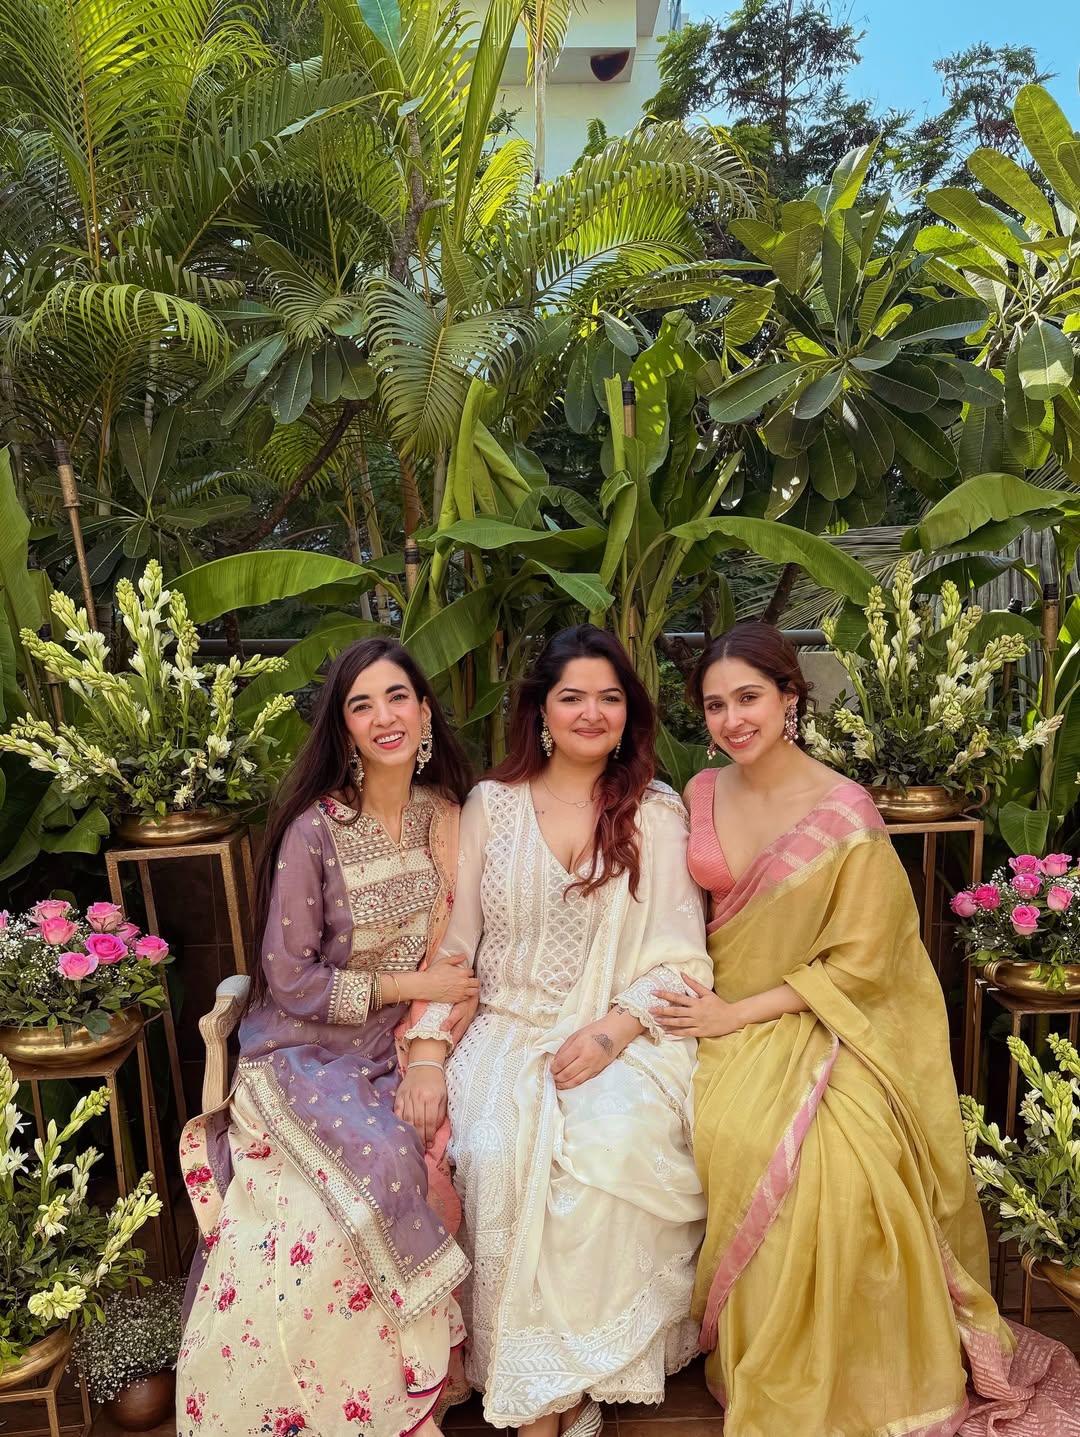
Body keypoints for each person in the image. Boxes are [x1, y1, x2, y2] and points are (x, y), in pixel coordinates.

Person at [655, 620, 1080, 1436]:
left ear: (789, 697)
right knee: (735, 1132)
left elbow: (864, 958)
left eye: (749, 697)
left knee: (842, 1165)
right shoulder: (699, 792)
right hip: (708, 1008)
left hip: (818, 1014)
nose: (732, 718)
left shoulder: (843, 810)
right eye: (714, 705)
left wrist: (738, 1013)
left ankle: (859, 1383)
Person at [177, 639, 479, 1437]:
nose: (384, 717)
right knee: (357, 1180)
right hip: (299, 1049)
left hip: (392, 1045)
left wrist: (426, 1026)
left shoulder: (445, 818)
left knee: (422, 1153)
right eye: (361, 704)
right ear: (343, 728)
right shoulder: (315, 831)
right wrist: (412, 984)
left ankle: (394, 1396)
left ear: (424, 711)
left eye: (397, 697)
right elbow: (291, 978)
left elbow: (465, 948)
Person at [424, 625, 709, 1437]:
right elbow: (458, 946)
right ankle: (550, 1397)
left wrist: (613, 1032)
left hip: (627, 1031)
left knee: (606, 1146)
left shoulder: (656, 813)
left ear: (629, 714)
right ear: (542, 711)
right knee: (490, 1151)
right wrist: (430, 1048)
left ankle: (557, 1386)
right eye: (572, 696)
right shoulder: (492, 805)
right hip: (504, 1027)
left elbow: (682, 959)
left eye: (609, 698)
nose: (591, 712)